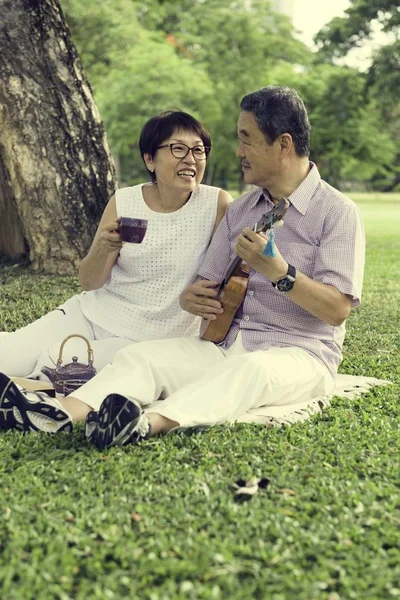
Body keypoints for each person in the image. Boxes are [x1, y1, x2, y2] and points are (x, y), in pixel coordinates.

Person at [0, 85, 365, 441]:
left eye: (246, 139)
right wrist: (192, 299)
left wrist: (279, 272)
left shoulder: (337, 213)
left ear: (283, 144)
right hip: (227, 344)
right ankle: (59, 413)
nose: (238, 151)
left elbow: (337, 309)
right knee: (143, 358)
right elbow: (202, 286)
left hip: (300, 354)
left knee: (249, 370)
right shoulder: (242, 210)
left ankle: (145, 423)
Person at [0, 110, 231, 379]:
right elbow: (89, 282)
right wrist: (103, 248)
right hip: (91, 315)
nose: (190, 159)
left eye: (198, 150)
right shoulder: (124, 201)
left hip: (143, 342)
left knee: (52, 371)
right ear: (150, 159)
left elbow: (226, 279)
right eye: (178, 149)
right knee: (8, 358)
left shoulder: (216, 204)